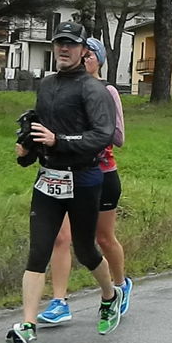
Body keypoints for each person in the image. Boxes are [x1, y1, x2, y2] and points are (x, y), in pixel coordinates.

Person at [7, 22, 123, 343]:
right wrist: (28, 148)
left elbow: (102, 135)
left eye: (70, 44)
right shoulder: (47, 85)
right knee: (38, 251)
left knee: (86, 250)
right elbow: (41, 127)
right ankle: (27, 326)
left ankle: (110, 295)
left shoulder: (93, 89)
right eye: (59, 43)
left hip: (85, 179)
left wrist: (60, 141)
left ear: (83, 50)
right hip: (48, 179)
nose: (63, 49)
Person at [37, 38, 132, 324]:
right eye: (84, 54)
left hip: (100, 174)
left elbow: (117, 137)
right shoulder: (58, 89)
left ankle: (120, 285)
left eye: (90, 55)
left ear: (98, 60)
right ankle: (59, 301)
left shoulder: (107, 90)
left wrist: (90, 128)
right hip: (66, 174)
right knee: (60, 238)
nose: (85, 59)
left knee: (101, 238)